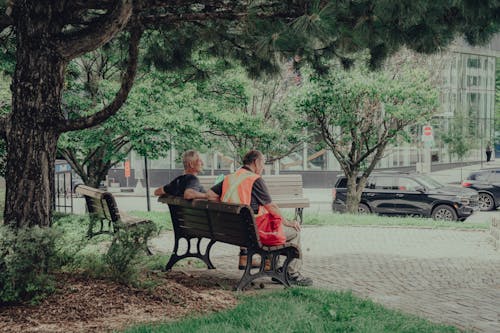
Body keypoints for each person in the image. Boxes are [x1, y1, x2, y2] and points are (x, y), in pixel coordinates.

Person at [207, 150, 313, 286]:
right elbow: (271, 207)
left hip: (234, 232)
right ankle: (291, 273)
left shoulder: (230, 178)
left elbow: (210, 194)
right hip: (254, 234)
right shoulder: (254, 179)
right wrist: (288, 222)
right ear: (256, 162)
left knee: (279, 229)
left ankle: (279, 271)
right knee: (294, 232)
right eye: (263, 163)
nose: (263, 167)